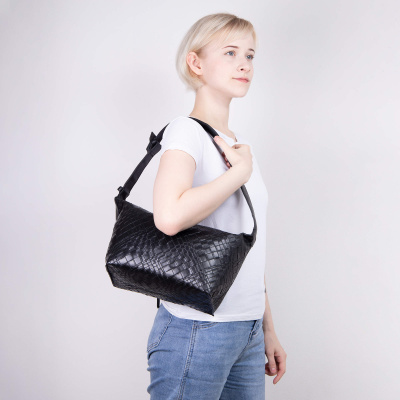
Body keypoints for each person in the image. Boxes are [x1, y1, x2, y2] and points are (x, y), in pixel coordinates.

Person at [146, 12, 286, 399]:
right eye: (230, 53)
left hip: (247, 330)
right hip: (196, 329)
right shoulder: (186, 132)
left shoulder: (237, 146)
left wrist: (267, 328)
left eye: (250, 55)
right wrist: (237, 175)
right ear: (196, 63)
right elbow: (169, 217)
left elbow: (248, 246)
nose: (244, 64)